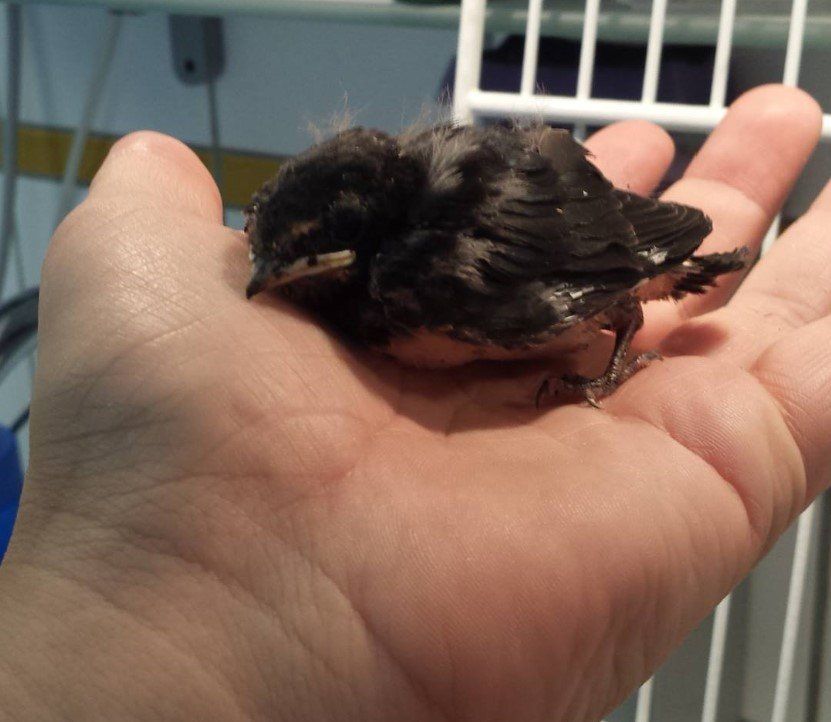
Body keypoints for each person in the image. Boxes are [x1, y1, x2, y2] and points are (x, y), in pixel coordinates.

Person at [0, 84, 828, 722]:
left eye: (297, 263)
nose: (268, 283)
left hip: (608, 254)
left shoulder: (430, 273)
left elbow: (606, 285)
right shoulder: (345, 272)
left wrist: (606, 365)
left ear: (352, 252)